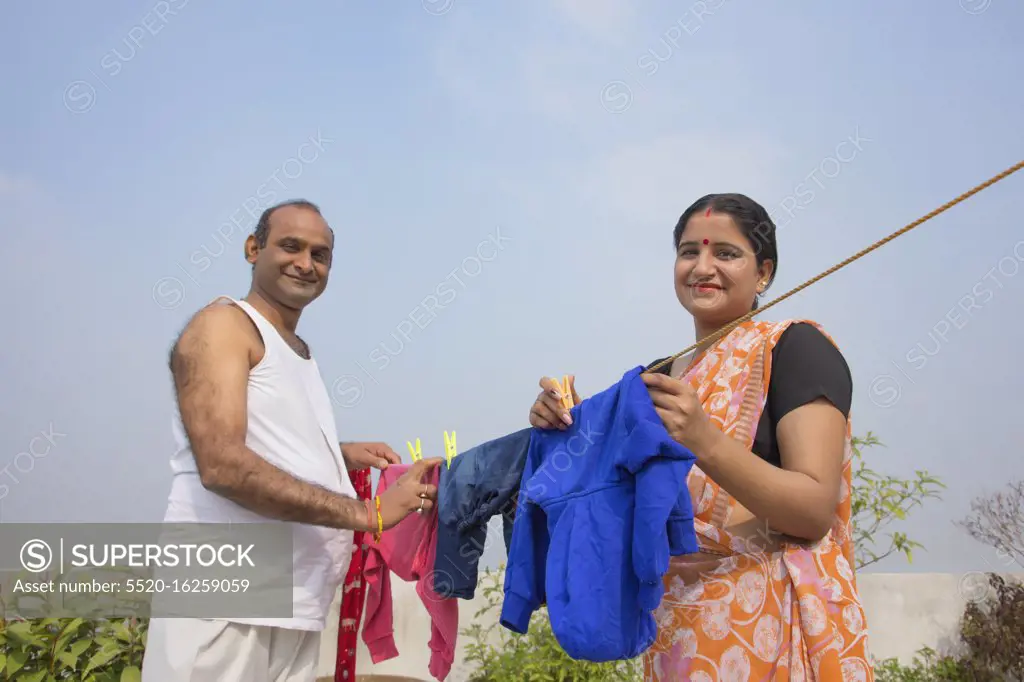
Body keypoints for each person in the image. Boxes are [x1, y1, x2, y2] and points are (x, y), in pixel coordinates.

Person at [528, 193, 873, 681]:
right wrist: (563, 421)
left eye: (725, 253)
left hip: (773, 629)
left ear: (764, 273)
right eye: (689, 252)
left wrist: (704, 440)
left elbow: (814, 510)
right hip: (680, 635)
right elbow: (602, 486)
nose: (702, 266)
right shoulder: (657, 379)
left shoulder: (795, 349)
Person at [142, 199, 441, 682]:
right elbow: (223, 465)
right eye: (291, 246)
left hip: (293, 603)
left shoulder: (296, 350)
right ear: (252, 248)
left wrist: (337, 457)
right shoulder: (222, 326)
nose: (306, 263)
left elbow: (265, 443)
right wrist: (371, 514)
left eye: (320, 255)